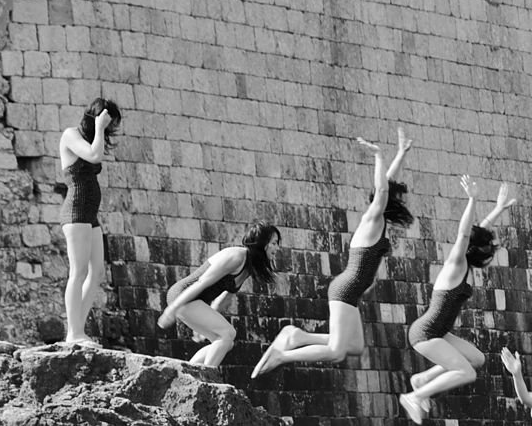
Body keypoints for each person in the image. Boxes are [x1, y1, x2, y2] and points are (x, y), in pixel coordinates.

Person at [250, 128, 414, 378]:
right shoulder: (373, 218)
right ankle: (282, 355)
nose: (401, 203)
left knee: (354, 347)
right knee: (337, 351)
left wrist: (401, 154)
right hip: (346, 288)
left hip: (351, 291)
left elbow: (386, 187)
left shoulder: (378, 221)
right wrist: (379, 156)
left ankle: (296, 336)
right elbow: (382, 191)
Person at [398, 178, 515, 423]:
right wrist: (472, 199)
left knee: (477, 359)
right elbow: (464, 234)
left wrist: (498, 209)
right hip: (426, 333)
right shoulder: (456, 264)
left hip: (439, 331)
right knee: (466, 372)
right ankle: (415, 395)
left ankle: (422, 380)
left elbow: (476, 233)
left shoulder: (467, 263)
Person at [157, 222, 281, 367]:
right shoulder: (236, 256)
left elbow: (224, 298)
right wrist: (171, 310)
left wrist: (206, 323)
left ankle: (189, 372)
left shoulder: (249, 266)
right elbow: (201, 283)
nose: (277, 248)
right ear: (262, 243)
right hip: (183, 295)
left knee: (225, 341)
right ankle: (207, 375)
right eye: (274, 243)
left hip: (194, 302)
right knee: (226, 333)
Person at [58, 97, 122, 346]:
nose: (109, 130)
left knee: (96, 271)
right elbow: (94, 157)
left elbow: (96, 153)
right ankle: (73, 334)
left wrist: (98, 130)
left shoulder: (90, 138)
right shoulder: (70, 135)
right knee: (79, 271)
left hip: (89, 214)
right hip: (76, 212)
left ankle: (78, 329)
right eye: (109, 124)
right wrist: (99, 127)